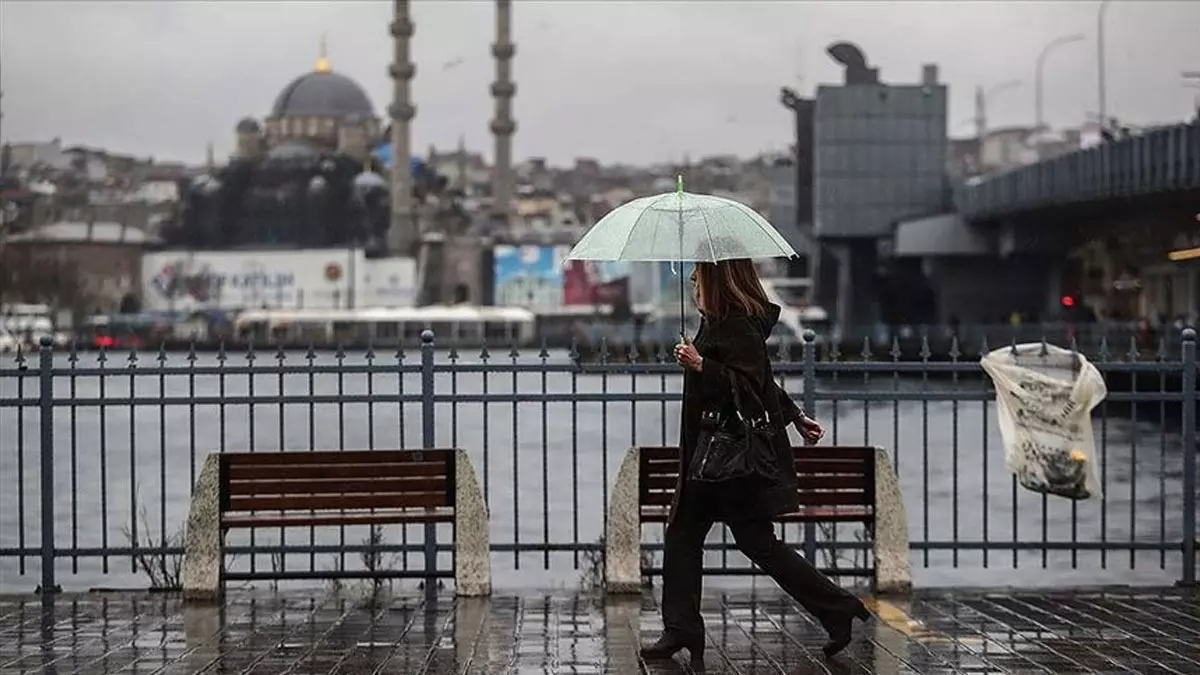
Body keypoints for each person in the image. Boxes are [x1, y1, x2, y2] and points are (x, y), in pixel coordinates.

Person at [640, 258, 870, 666]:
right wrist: (797, 416)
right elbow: (762, 381)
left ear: (718, 277)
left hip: (729, 460)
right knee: (683, 536)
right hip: (708, 459)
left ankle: (836, 607)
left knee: (754, 543)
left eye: (699, 271)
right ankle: (681, 628)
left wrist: (701, 365)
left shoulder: (738, 325)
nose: (692, 277)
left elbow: (747, 387)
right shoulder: (717, 322)